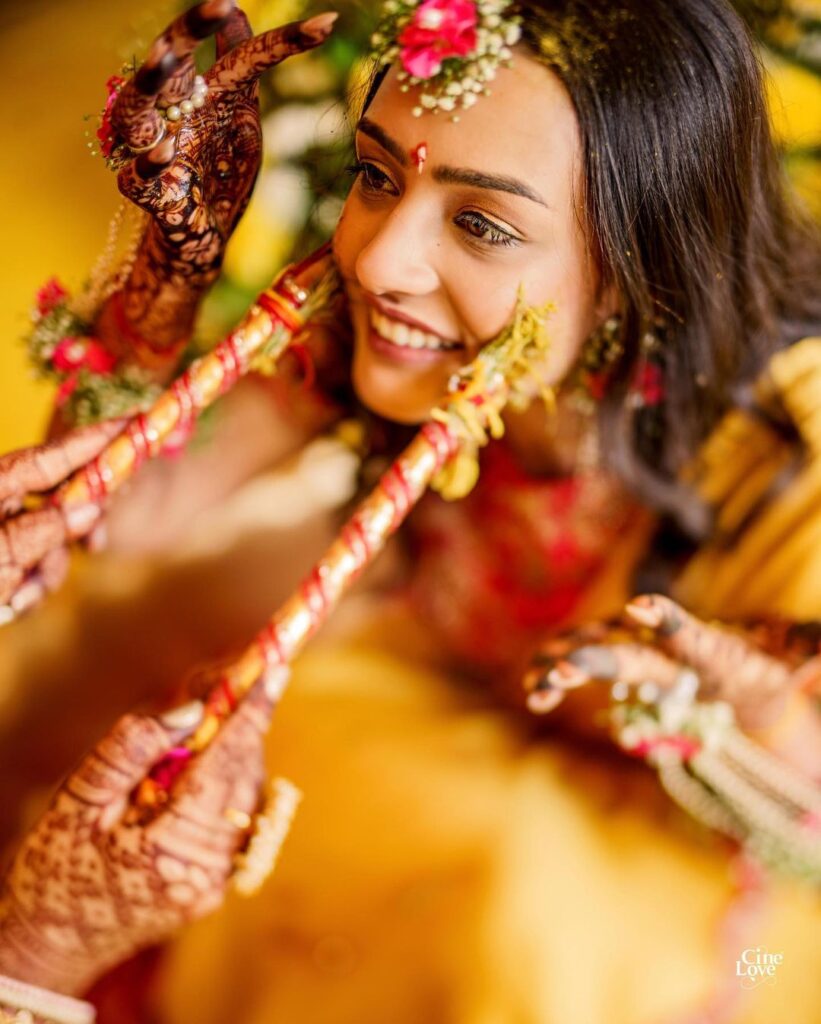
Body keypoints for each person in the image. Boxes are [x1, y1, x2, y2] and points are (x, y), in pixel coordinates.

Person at [0, 0, 820, 1021]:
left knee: (512, 903)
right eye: (377, 176)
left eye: (481, 224)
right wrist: (168, 276)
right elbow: (124, 515)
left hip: (653, 872)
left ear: (637, 265)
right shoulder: (365, 327)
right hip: (413, 714)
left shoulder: (796, 449)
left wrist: (750, 711)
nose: (382, 260)